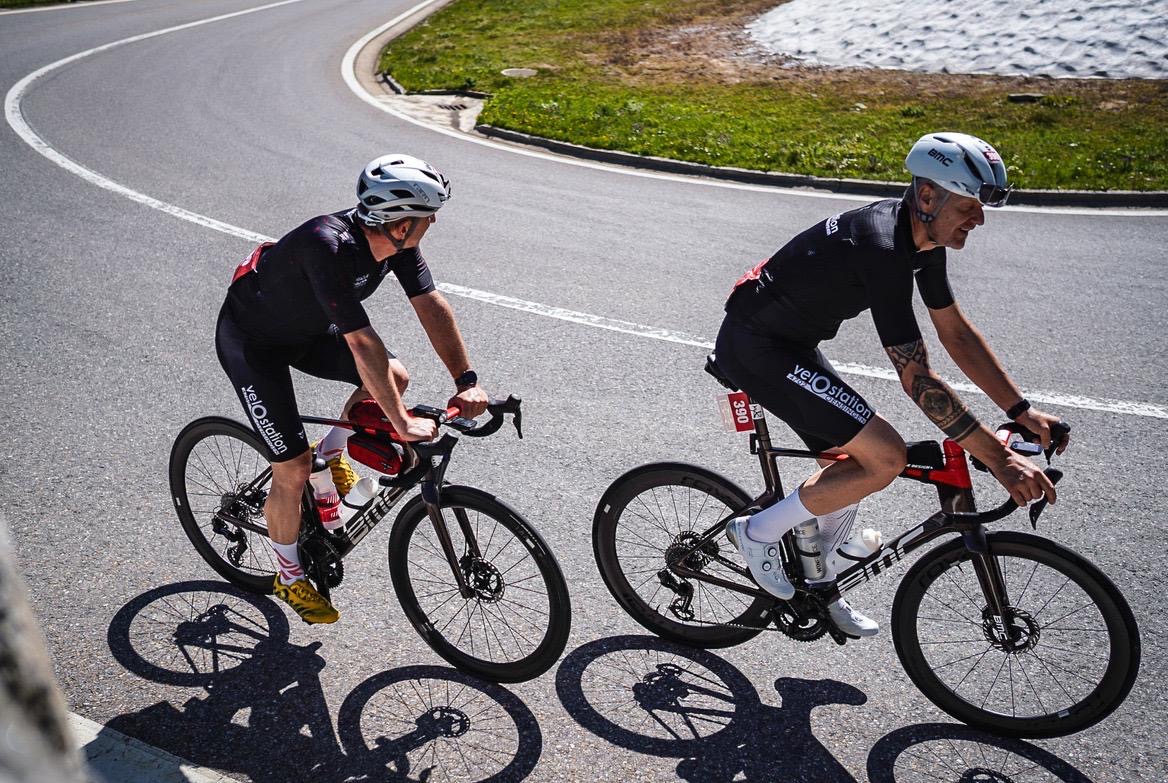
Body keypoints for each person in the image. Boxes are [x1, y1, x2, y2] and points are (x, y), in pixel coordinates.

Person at [716, 132, 1068, 638]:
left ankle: (821, 584)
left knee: (847, 471)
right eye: (970, 205)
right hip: (755, 347)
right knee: (885, 456)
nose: (980, 219)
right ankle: (756, 532)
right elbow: (917, 378)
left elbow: (956, 334)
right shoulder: (882, 245)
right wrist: (1001, 458)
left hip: (790, 344)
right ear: (928, 197)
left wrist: (1021, 411)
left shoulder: (922, 240)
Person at [216, 154, 489, 625]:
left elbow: (429, 303)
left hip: (304, 334)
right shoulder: (328, 245)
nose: (435, 222)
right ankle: (288, 574)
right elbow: (362, 342)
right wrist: (401, 422)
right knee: (294, 466)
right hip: (252, 344)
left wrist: (467, 382)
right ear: (400, 224)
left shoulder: (397, 244)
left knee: (395, 378)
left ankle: (334, 455)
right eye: (428, 215)